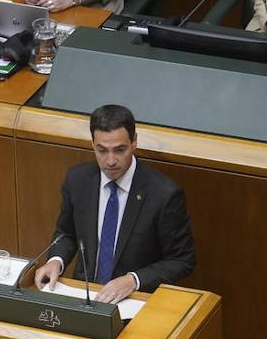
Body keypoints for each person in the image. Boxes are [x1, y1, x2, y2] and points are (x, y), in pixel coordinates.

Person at [34, 104, 196, 305]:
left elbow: (181, 260)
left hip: (133, 301)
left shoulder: (163, 194)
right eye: (102, 150)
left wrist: (133, 280)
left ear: (134, 142)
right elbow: (66, 234)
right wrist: (55, 261)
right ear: (93, 144)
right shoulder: (78, 180)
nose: (110, 161)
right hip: (85, 297)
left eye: (119, 150)